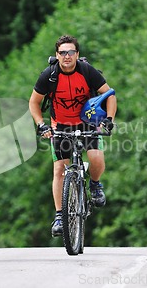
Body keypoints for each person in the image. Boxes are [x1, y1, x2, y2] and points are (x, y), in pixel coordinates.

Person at [29, 35, 117, 237]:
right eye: (62, 53)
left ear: (77, 54)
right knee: (59, 169)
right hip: (59, 125)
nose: (67, 56)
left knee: (96, 158)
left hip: (87, 123)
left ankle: (95, 185)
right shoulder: (49, 75)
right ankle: (60, 215)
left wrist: (109, 119)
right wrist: (41, 125)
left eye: (71, 52)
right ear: (57, 55)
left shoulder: (87, 72)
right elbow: (34, 102)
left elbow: (110, 94)